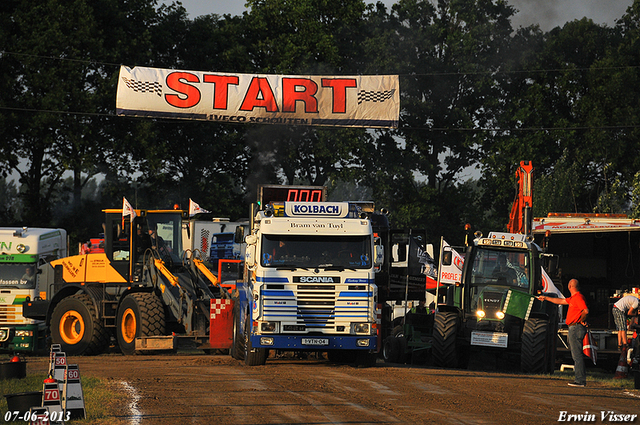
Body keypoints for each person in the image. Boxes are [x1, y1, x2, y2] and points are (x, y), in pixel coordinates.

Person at [538, 279, 589, 387]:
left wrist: (582, 320)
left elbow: (585, 310)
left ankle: (580, 380)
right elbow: (561, 301)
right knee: (576, 355)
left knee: (577, 355)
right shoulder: (574, 298)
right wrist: (546, 298)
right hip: (574, 327)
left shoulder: (578, 298)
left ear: (570, 286)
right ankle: (580, 379)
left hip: (575, 327)